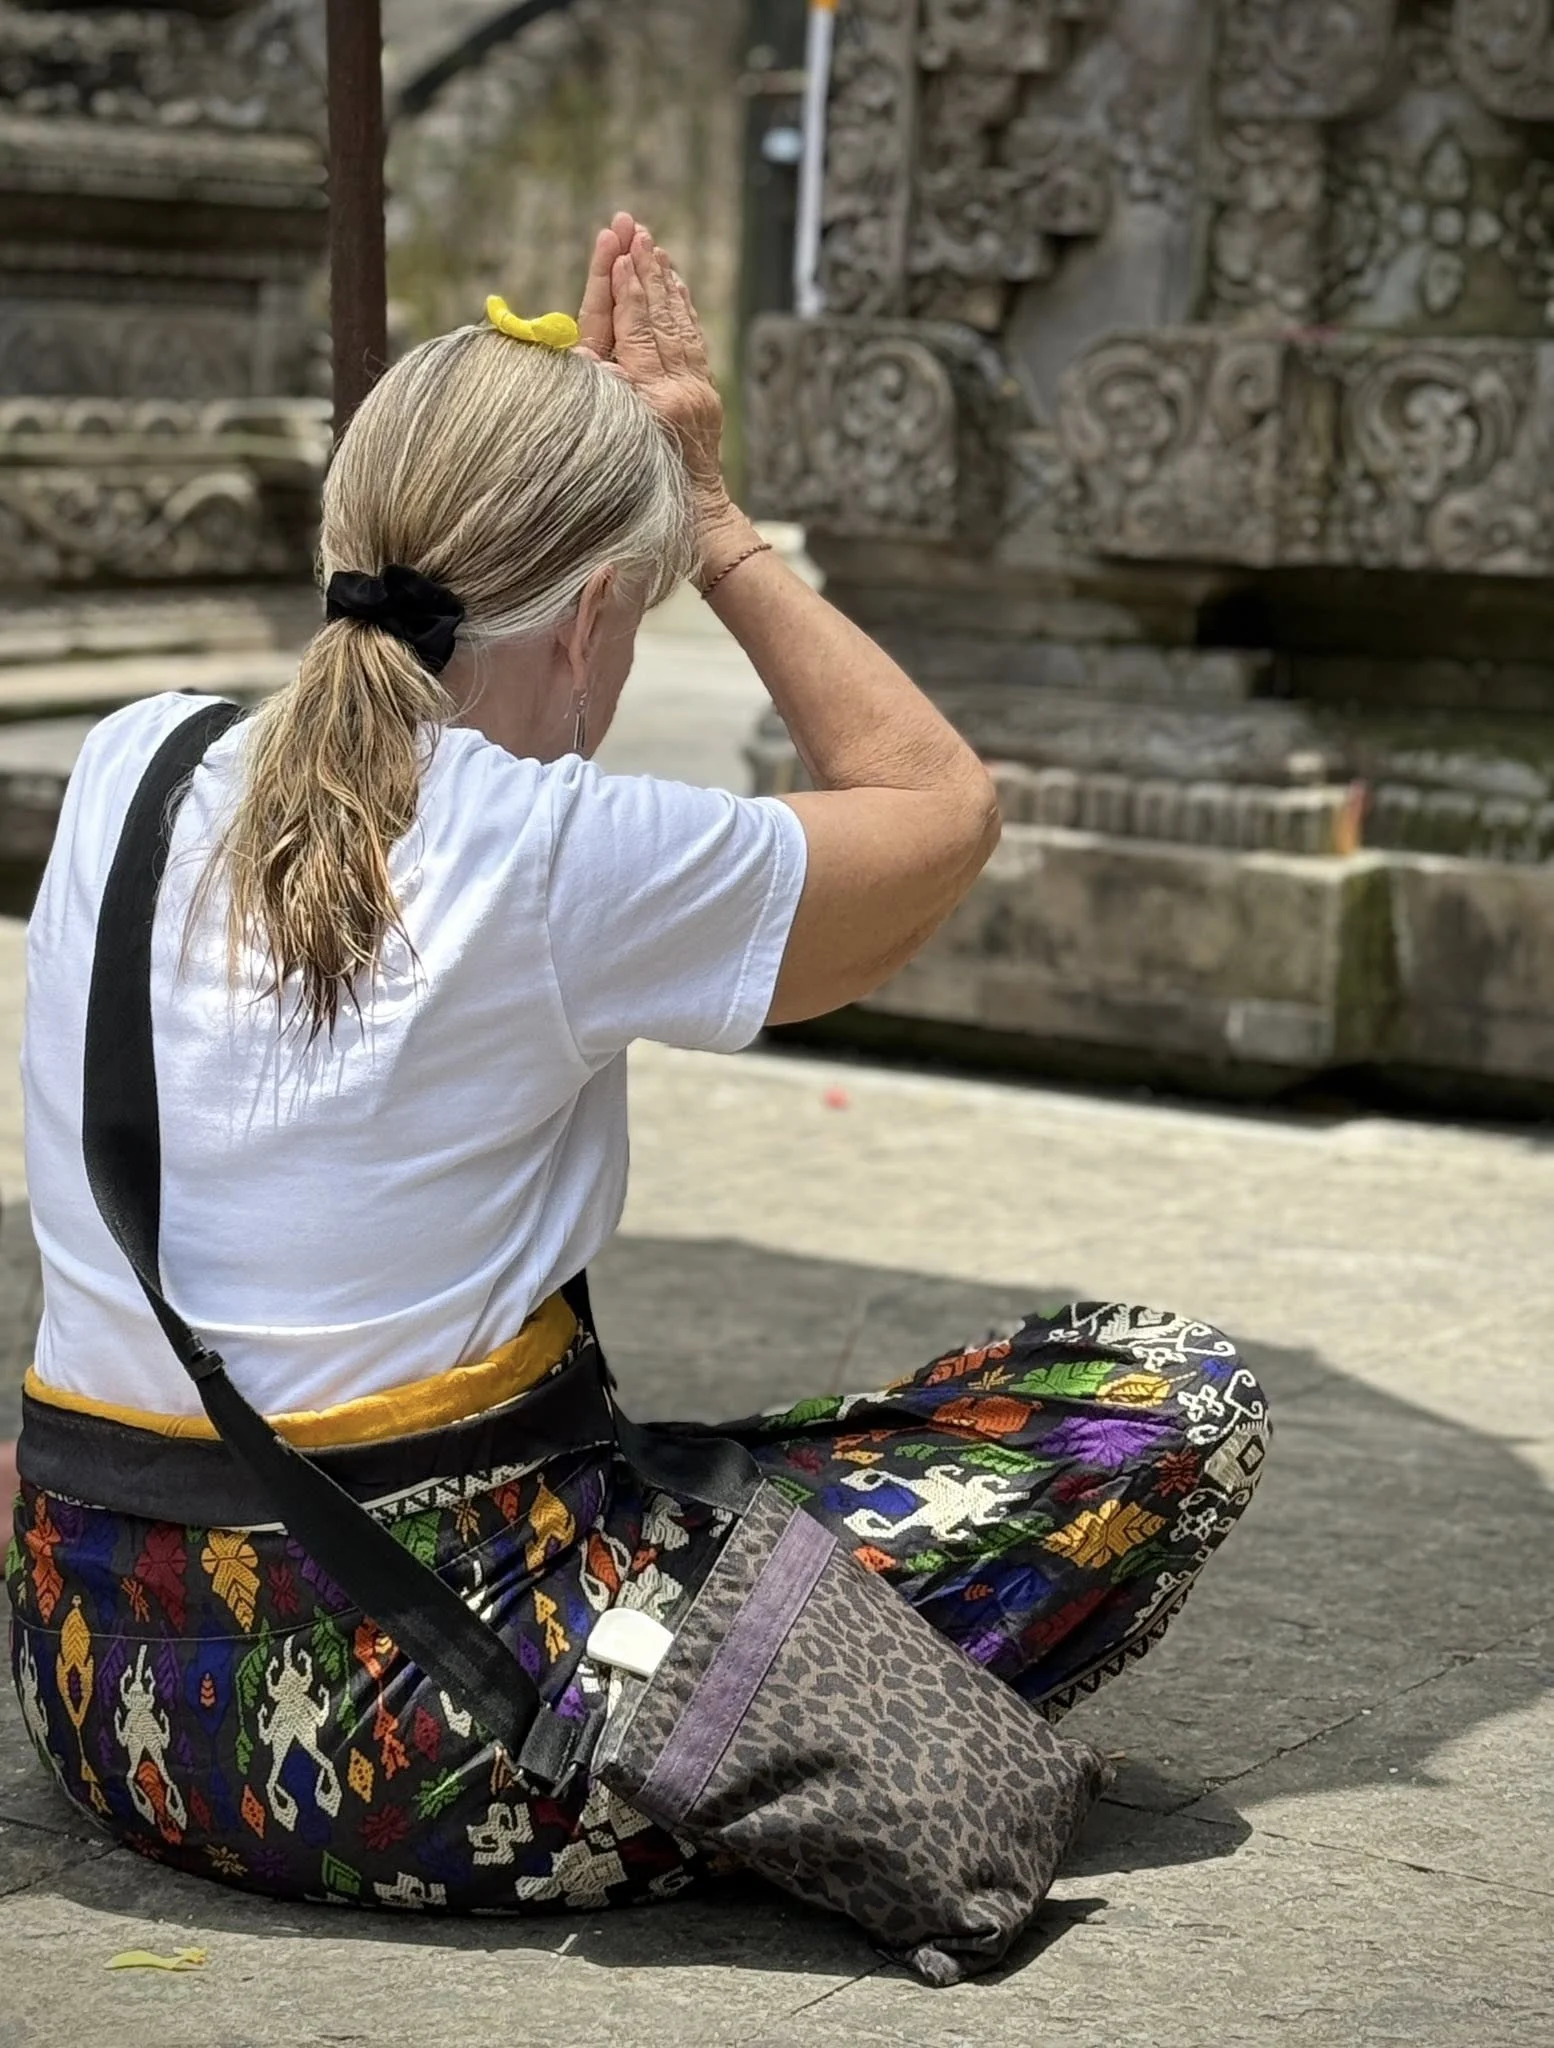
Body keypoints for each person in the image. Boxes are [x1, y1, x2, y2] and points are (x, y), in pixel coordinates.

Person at [7, 217, 1268, 1911]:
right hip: (419, 1751)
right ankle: (757, 1776)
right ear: (599, 611)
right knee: (1161, 1409)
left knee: (612, 1451)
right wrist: (725, 524)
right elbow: (940, 812)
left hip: (109, 1696)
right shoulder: (547, 847)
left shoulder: (128, 763)